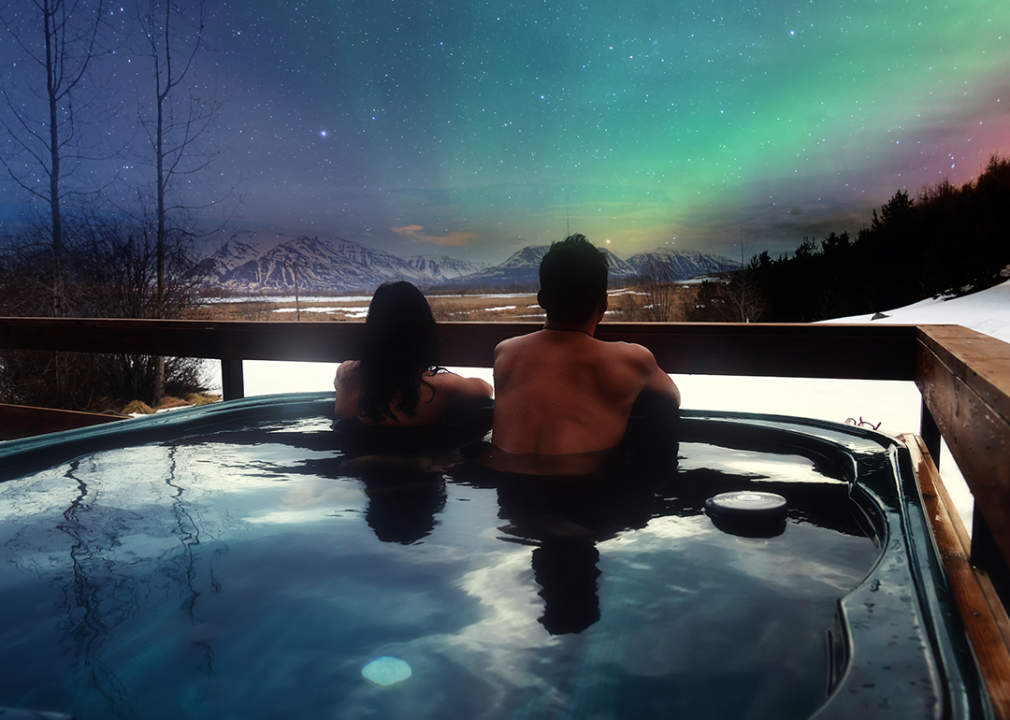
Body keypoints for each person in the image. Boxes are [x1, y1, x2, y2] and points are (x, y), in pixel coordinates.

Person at [491, 234, 680, 458]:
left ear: (541, 299)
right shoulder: (632, 360)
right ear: (604, 303)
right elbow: (672, 399)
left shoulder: (505, 352)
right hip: (580, 488)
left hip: (507, 486)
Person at [334, 281, 492, 426]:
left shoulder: (345, 373)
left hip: (352, 455)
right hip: (416, 456)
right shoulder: (440, 386)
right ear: (424, 331)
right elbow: (486, 389)